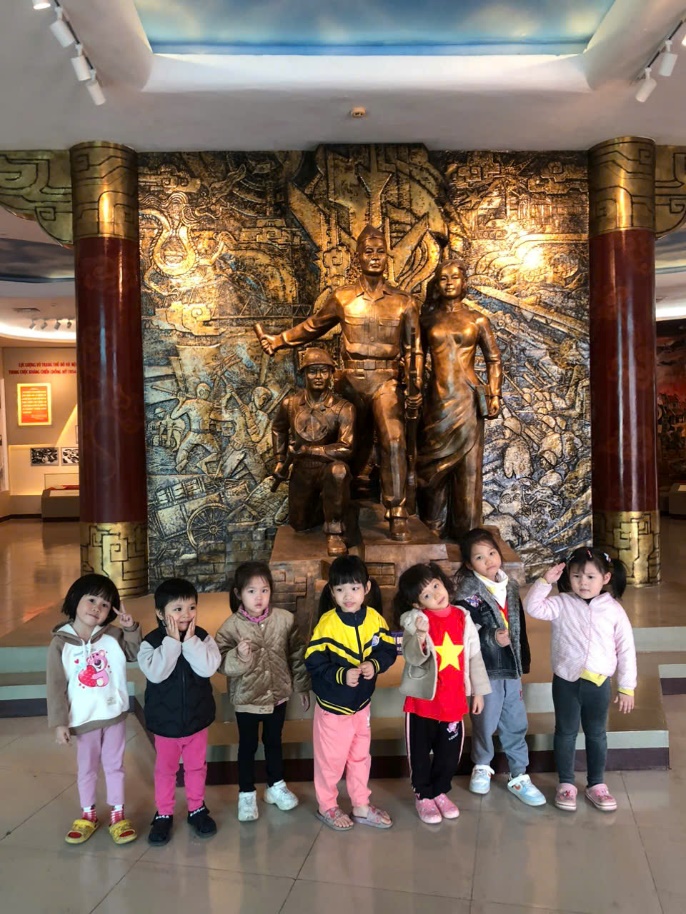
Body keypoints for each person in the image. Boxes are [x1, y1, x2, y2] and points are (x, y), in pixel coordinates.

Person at [257, 224, 423, 542]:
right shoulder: (343, 297)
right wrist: (279, 340)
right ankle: (340, 510)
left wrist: (414, 387)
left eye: (380, 252)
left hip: (386, 380)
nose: (374, 257)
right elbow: (313, 326)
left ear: (387, 257)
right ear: (357, 257)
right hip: (349, 379)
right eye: (368, 252)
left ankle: (396, 511)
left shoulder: (405, 302)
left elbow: (414, 349)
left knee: (393, 440)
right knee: (349, 446)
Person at [524, 547, 637, 812]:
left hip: (598, 684)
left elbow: (626, 649)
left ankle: (596, 784)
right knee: (565, 732)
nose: (582, 583)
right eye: (576, 576)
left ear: (605, 578)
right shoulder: (561, 603)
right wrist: (545, 581)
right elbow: (532, 607)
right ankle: (566, 783)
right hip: (566, 681)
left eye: (590, 577)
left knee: (596, 733)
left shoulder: (614, 610)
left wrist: (627, 687)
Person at [46, 573, 141, 845]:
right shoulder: (60, 643)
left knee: (114, 766)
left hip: (114, 716)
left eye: (105, 604)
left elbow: (133, 653)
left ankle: (117, 815)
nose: (97, 608)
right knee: (86, 768)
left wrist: (130, 628)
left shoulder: (113, 635)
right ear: (75, 599)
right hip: (84, 719)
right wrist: (60, 723)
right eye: (91, 600)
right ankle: (88, 814)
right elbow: (55, 686)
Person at [454, 528, 546, 806]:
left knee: (515, 720)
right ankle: (482, 764)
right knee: (485, 719)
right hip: (486, 669)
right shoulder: (468, 594)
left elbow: (519, 627)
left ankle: (519, 774)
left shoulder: (510, 586)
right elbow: (465, 632)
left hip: (511, 666)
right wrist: (491, 638)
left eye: (492, 553)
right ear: (469, 564)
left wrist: (522, 660)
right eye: (479, 557)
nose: (489, 560)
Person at [393, 562, 490, 823]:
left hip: (453, 701)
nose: (436, 594)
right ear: (417, 603)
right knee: (420, 753)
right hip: (422, 703)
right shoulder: (415, 620)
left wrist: (478, 692)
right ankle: (423, 795)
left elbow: (474, 656)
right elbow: (412, 656)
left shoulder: (462, 617)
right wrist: (419, 635)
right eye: (426, 594)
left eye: (436, 585)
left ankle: (439, 791)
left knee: (449, 754)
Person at [305, 555, 397, 830]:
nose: (348, 595)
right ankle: (327, 806)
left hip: (362, 706)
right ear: (331, 592)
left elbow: (388, 650)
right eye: (340, 589)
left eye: (355, 588)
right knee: (330, 762)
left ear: (366, 588)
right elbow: (314, 662)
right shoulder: (327, 624)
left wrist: (374, 664)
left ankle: (361, 805)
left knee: (360, 758)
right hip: (333, 710)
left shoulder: (375, 619)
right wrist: (341, 675)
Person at [216, 561, 311, 822]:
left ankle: (275, 786)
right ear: (238, 594)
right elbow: (220, 662)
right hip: (247, 699)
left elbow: (297, 654)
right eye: (251, 591)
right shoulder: (230, 627)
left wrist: (302, 685)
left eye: (264, 590)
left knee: (274, 742)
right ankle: (246, 793)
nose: (259, 597)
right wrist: (239, 656)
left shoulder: (284, 620)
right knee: (247, 746)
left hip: (277, 696)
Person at [417, 259, 502, 540]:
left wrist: (494, 394)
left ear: (464, 283)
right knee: (432, 468)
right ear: (437, 285)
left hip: (467, 398)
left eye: (454, 277)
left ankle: (467, 535)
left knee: (468, 469)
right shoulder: (427, 319)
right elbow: (416, 358)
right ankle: (431, 528)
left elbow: (493, 359)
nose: (449, 283)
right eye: (443, 278)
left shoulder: (477, 320)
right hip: (436, 401)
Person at [138, 578, 221, 845]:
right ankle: (164, 813)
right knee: (166, 770)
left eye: (191, 607)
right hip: (166, 723)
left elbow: (207, 668)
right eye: (177, 609)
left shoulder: (203, 637)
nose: (186, 614)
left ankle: (196, 808)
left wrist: (191, 641)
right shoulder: (151, 643)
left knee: (196, 767)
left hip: (197, 719)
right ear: (160, 613)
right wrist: (173, 643)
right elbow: (156, 673)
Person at [271, 347, 355, 556]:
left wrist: (309, 450)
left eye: (324, 371)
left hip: (327, 469)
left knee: (338, 471)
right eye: (313, 371)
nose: (318, 376)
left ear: (331, 374)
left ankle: (335, 531)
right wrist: (280, 459)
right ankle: (326, 510)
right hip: (302, 471)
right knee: (300, 524)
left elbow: (346, 447)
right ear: (304, 375)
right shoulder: (290, 404)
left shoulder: (344, 408)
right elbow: (278, 428)